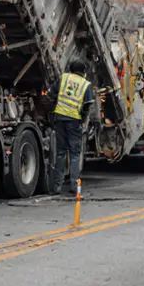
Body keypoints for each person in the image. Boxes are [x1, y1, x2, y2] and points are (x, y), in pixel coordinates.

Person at [49, 59, 96, 196]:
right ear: (84, 71)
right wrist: (83, 118)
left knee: (61, 152)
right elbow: (88, 103)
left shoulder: (64, 78)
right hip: (74, 120)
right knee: (75, 153)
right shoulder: (85, 84)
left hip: (59, 118)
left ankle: (57, 186)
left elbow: (51, 95)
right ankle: (74, 186)